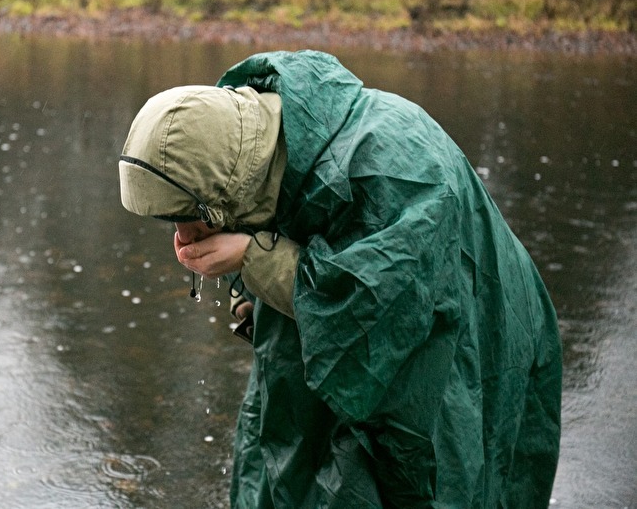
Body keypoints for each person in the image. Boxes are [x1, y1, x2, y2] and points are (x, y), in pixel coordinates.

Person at [118, 50, 561, 508]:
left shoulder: (397, 172)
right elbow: (284, 223)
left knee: (422, 476)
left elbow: (378, 309)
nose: (183, 236)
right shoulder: (255, 151)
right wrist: (247, 287)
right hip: (368, 332)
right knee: (287, 456)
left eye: (188, 216)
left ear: (220, 186)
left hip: (458, 334)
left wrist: (254, 258)